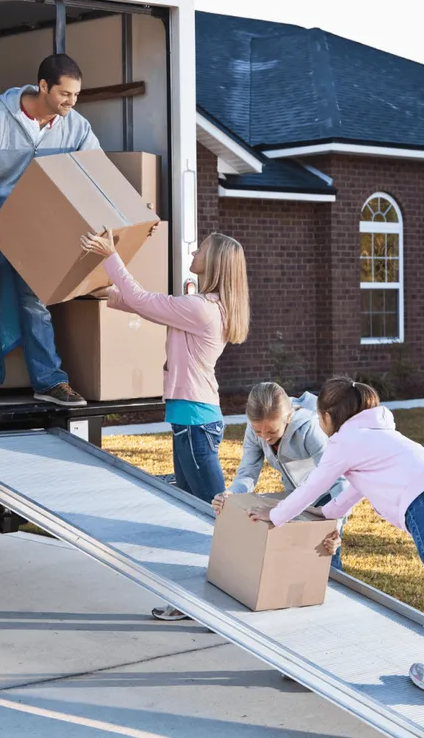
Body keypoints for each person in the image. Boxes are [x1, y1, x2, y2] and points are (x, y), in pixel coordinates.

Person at [248, 376, 424, 706]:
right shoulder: (378, 434)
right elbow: (356, 489)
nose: (318, 421)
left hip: (422, 498)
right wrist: (326, 513)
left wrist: (274, 516)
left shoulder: (344, 442)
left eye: (319, 416)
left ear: (329, 416)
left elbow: (311, 487)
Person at [80, 227, 250, 622]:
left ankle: (226, 603)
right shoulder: (203, 306)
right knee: (191, 516)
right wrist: (105, 295)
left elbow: (144, 299)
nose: (195, 249)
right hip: (191, 420)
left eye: (202, 248)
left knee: (214, 518)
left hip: (195, 422)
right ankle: (194, 601)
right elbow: (144, 305)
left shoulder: (202, 309)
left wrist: (111, 255)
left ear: (216, 263)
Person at [0, 53, 98, 407]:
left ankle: (49, 381)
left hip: (33, 220)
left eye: (77, 95)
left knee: (35, 300)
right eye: (65, 94)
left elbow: (92, 171)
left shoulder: (76, 126)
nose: (72, 102)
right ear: (44, 87)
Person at [211, 382, 347, 571]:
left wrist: (337, 526)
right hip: (295, 499)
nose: (265, 438)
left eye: (272, 432)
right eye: (259, 431)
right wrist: (232, 493)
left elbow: (339, 481)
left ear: (288, 417)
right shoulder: (254, 430)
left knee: (326, 564)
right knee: (297, 563)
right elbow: (248, 471)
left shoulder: (309, 429)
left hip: (327, 500)